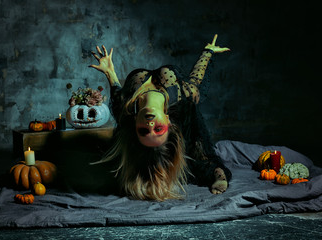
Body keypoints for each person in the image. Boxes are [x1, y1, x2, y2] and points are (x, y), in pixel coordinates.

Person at [89, 34, 232, 201]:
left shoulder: (125, 107)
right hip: (181, 107)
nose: (150, 124)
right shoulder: (183, 94)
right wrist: (208, 51)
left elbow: (116, 90)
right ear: (168, 121)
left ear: (135, 124)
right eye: (157, 129)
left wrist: (109, 71)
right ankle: (218, 173)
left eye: (144, 130)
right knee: (198, 150)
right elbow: (196, 79)